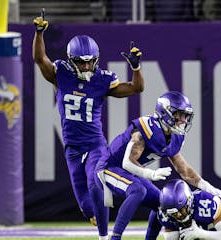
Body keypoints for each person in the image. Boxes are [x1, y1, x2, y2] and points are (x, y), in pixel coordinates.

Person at [32, 11, 144, 240]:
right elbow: (40, 59)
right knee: (87, 206)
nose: (86, 66)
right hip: (72, 148)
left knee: (97, 182)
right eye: (81, 62)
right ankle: (99, 218)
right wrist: (39, 34)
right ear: (71, 61)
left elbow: (136, 88)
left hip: (94, 145)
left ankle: (105, 237)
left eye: (89, 61)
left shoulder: (102, 80)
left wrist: (136, 67)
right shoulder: (61, 74)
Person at [95, 91, 221, 240]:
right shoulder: (147, 128)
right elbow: (127, 162)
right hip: (109, 168)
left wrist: (211, 189)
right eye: (179, 114)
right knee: (138, 190)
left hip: (130, 173)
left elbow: (185, 172)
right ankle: (115, 238)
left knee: (162, 205)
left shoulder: (174, 136)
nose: (183, 120)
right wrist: (151, 174)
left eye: (185, 115)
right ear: (165, 112)